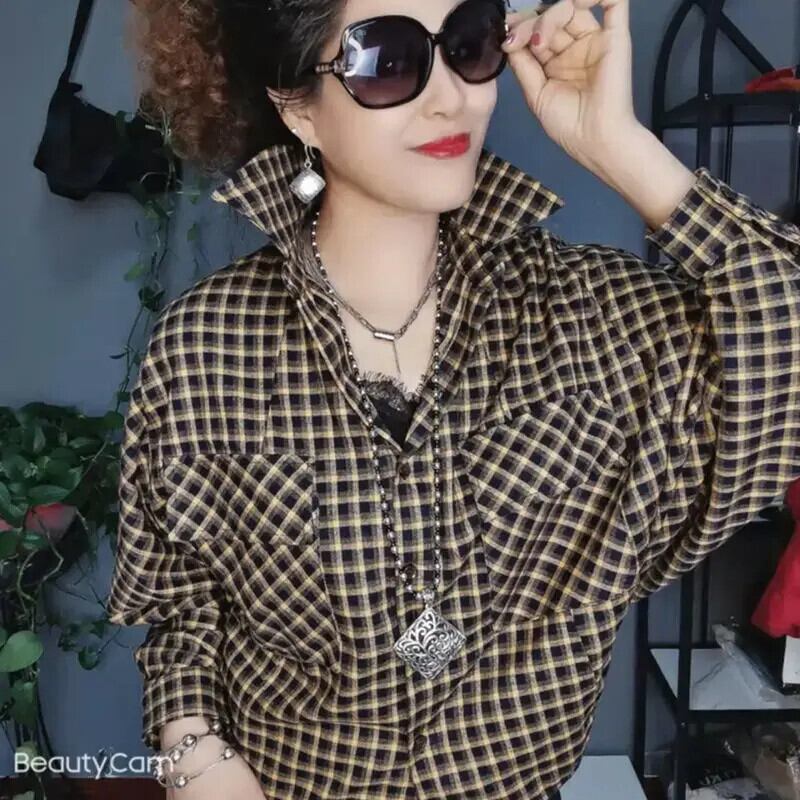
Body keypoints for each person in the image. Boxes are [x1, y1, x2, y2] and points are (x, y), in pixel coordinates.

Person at [105, 0, 800, 798]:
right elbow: (185, 605)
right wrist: (195, 753)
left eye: (467, 44)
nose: (451, 97)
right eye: (388, 59)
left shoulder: (592, 319)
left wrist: (620, 146)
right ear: (298, 106)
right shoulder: (207, 345)